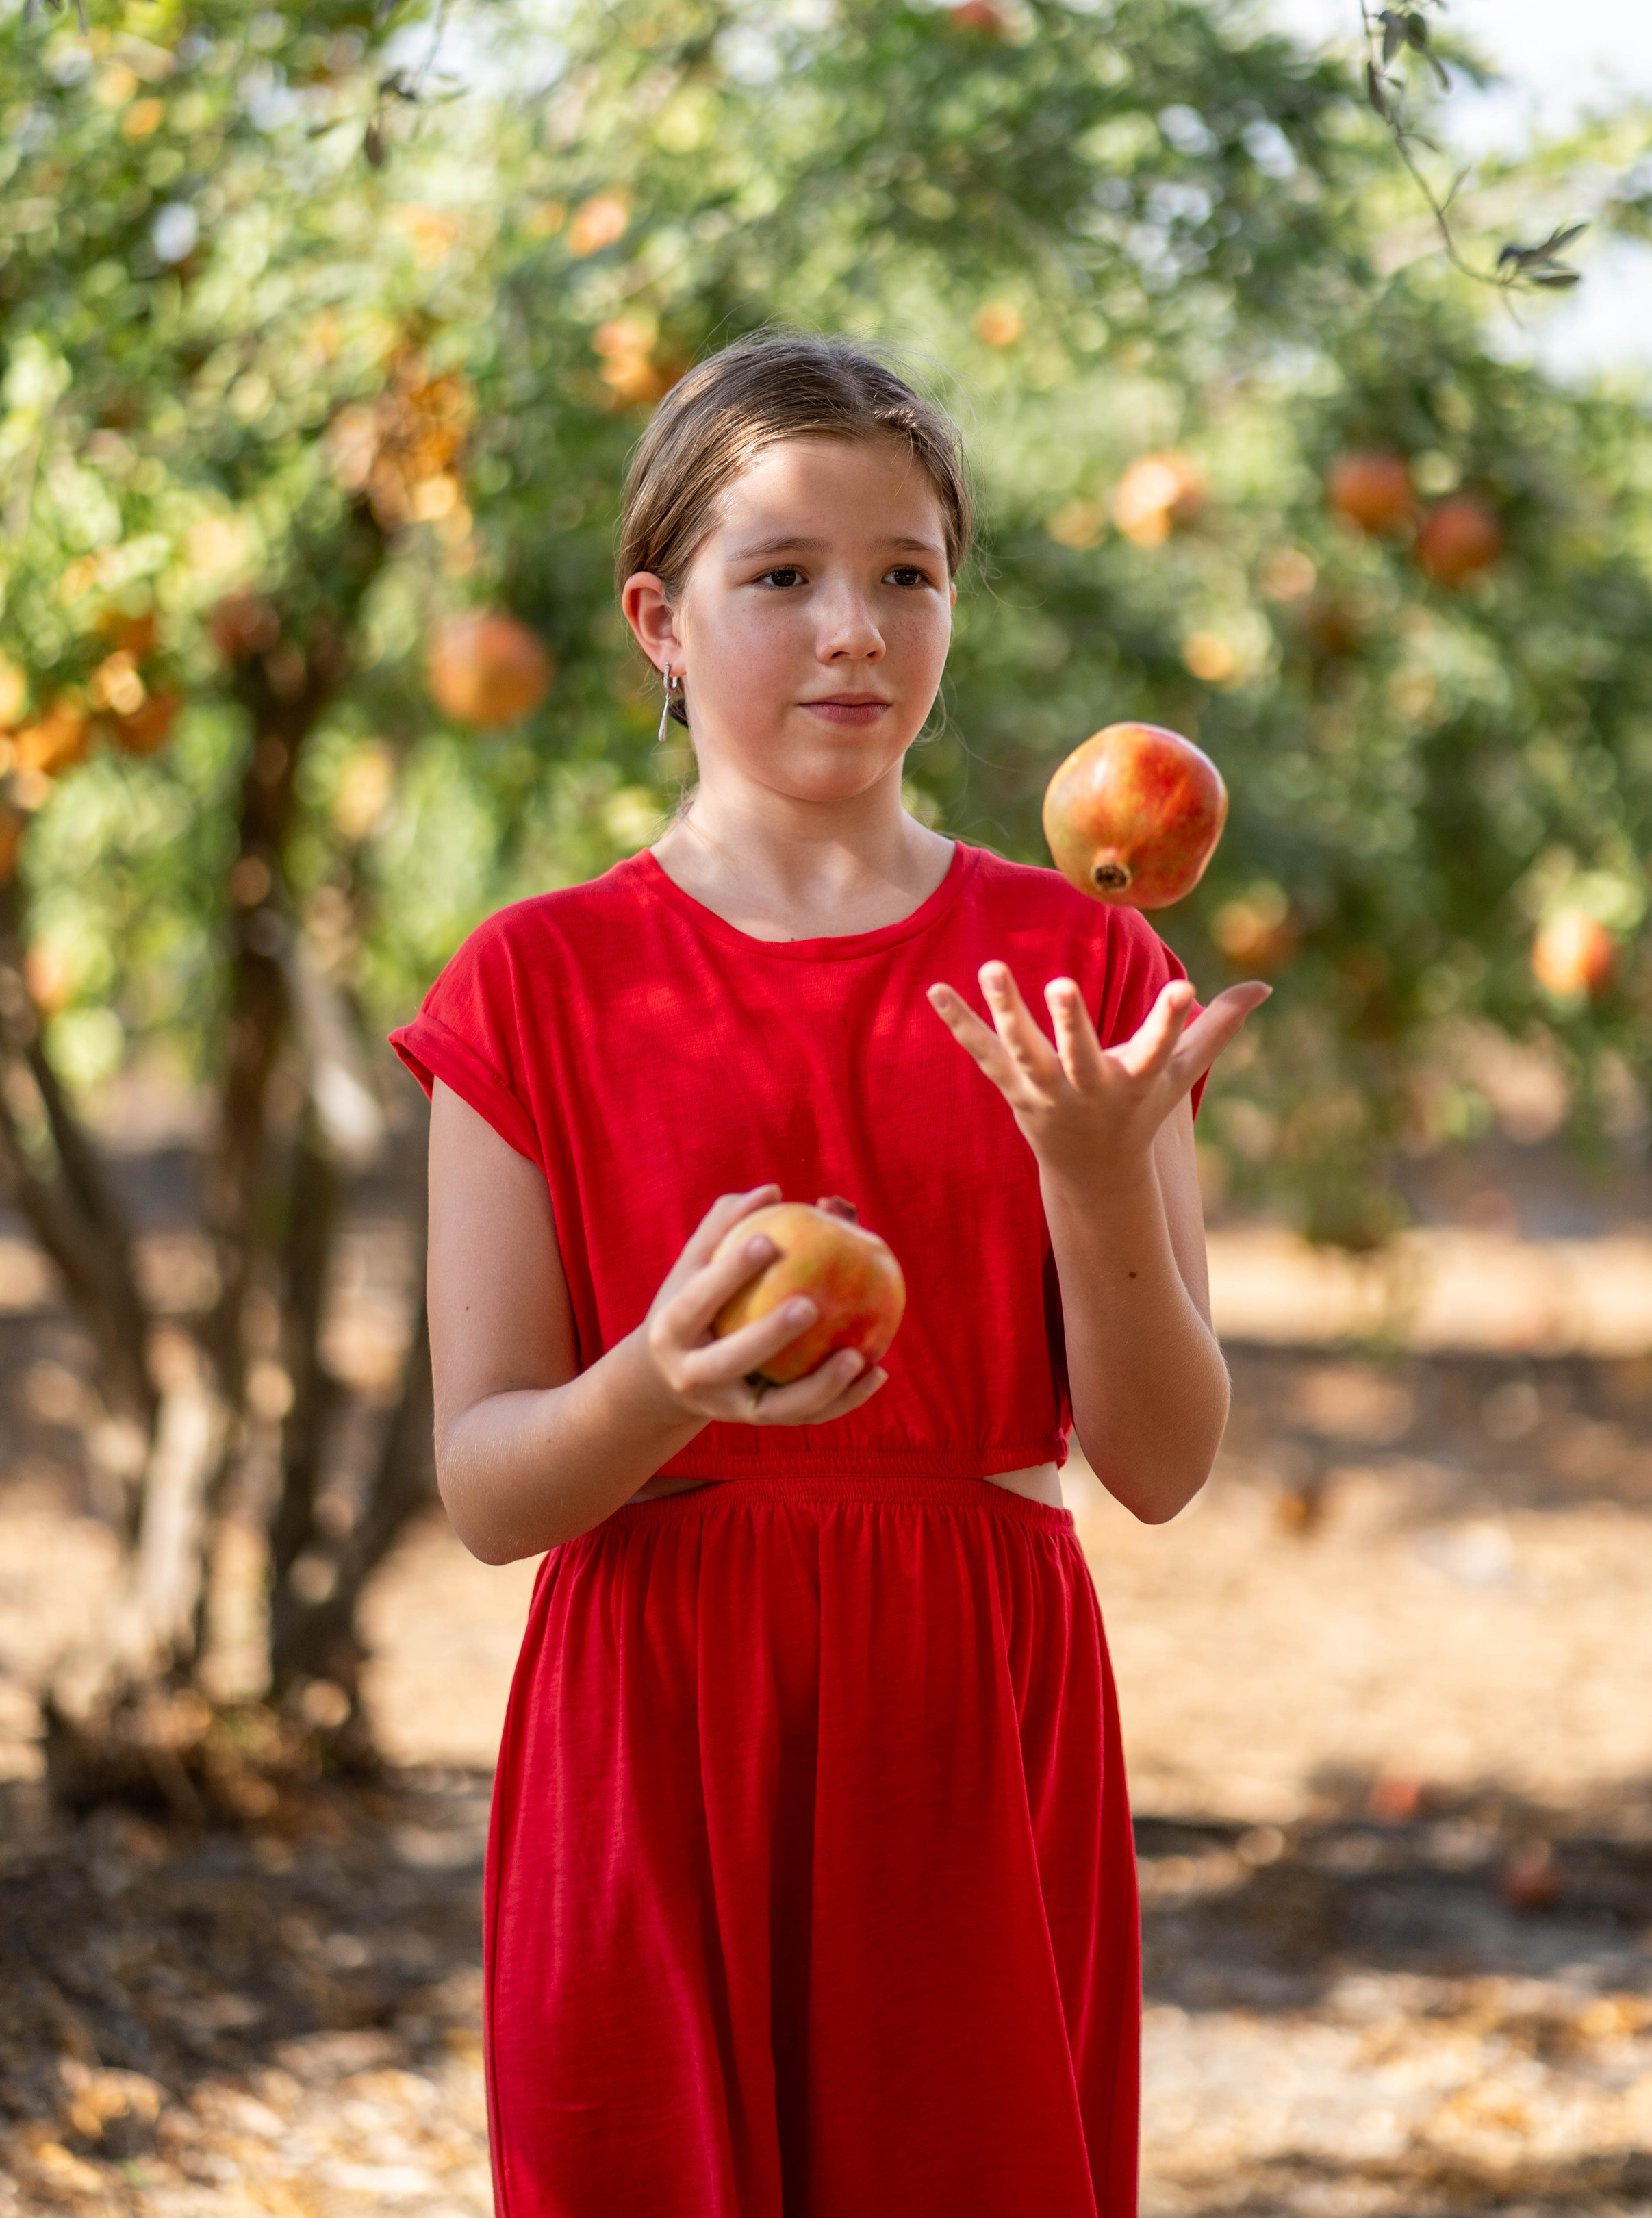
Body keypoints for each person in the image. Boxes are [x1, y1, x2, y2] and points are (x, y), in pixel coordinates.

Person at [390, 333, 1267, 2218]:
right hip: (656, 1716)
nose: (851, 628)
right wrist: (659, 1383)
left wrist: (1096, 1172)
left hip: (968, 1713)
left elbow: (1166, 1461)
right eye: (781, 576)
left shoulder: (1079, 973)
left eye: (905, 575)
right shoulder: (535, 985)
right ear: (660, 618)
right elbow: (483, 1488)